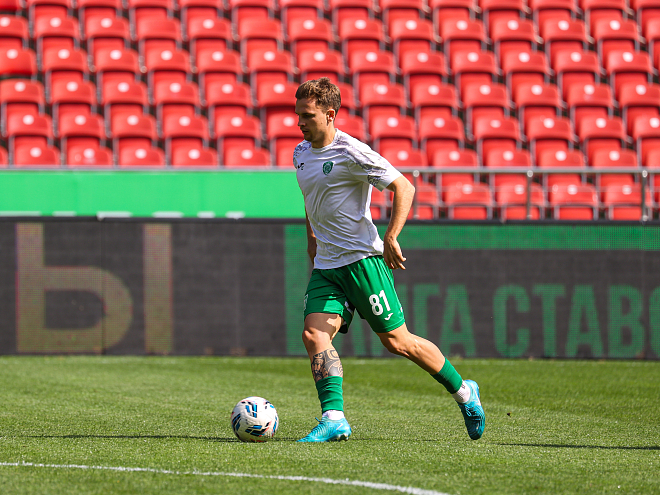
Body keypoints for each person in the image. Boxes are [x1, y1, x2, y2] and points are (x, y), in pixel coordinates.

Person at [293, 77, 485, 443]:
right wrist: (311, 238)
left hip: (362, 261)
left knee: (398, 342)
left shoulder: (351, 152)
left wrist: (392, 236)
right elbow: (310, 198)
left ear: (330, 114)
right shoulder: (300, 153)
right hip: (327, 266)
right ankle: (334, 418)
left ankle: (464, 392)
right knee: (313, 334)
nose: (300, 122)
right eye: (298, 114)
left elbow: (404, 186)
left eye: (308, 115)